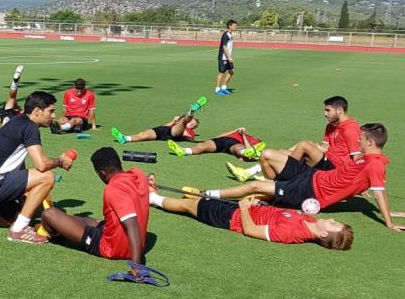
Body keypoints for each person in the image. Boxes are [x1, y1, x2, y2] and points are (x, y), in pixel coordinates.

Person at [193, 123, 405, 231]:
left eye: (361, 140)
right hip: (312, 176)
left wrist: (388, 220)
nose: (358, 143)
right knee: (267, 154)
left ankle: (206, 194)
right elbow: (368, 185)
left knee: (255, 186)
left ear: (370, 143)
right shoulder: (368, 159)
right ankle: (273, 194)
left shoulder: (376, 163)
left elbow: (380, 193)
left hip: (310, 191)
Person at [0, 91, 73, 244]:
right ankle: (19, 230)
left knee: (16, 217)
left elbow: (18, 163)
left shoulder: (18, 120)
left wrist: (21, 194)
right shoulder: (30, 127)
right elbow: (42, 164)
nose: (53, 116)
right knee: (47, 177)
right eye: (50, 111)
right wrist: (60, 161)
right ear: (37, 111)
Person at [39, 148, 150, 279]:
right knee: (89, 221)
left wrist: (136, 266)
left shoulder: (113, 188)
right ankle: (69, 227)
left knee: (48, 214)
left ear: (102, 173)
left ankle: (57, 235)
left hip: (111, 248)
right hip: (131, 242)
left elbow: (132, 225)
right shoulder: (139, 175)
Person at [148, 189, 353, 250]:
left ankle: (151, 197)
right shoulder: (308, 219)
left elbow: (251, 230)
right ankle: (159, 197)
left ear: (324, 234)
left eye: (333, 224)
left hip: (231, 217)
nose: (332, 219)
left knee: (189, 207)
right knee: (199, 201)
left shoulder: (292, 234)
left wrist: (245, 208)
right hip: (241, 208)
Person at [228, 96, 361, 182]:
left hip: (336, 169)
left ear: (340, 111)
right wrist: (321, 148)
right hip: (326, 160)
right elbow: (327, 146)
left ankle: (284, 176)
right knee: (283, 152)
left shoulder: (350, 129)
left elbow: (357, 159)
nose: (325, 114)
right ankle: (248, 172)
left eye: (328, 111)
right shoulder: (331, 126)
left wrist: (357, 182)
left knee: (304, 144)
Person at [111, 97, 206, 144]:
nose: (191, 124)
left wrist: (183, 126)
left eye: (193, 125)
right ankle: (125, 138)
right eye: (191, 122)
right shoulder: (178, 123)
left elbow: (187, 137)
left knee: (183, 122)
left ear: (194, 128)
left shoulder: (190, 131)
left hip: (174, 134)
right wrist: (173, 121)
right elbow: (166, 126)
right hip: (164, 131)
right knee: (144, 134)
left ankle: (192, 111)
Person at [167, 126, 265, 161]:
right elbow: (219, 136)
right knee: (202, 145)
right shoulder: (236, 133)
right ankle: (183, 151)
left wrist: (244, 135)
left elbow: (251, 150)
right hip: (223, 139)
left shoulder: (253, 141)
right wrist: (234, 130)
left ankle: (244, 152)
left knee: (238, 148)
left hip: (236, 143)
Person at [216, 20, 236, 95]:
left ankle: (224, 87)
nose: (236, 27)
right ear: (230, 26)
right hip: (223, 57)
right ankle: (217, 89)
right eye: (234, 26)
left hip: (227, 57)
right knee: (221, 73)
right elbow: (224, 47)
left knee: (232, 71)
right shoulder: (226, 35)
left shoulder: (230, 35)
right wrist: (229, 57)